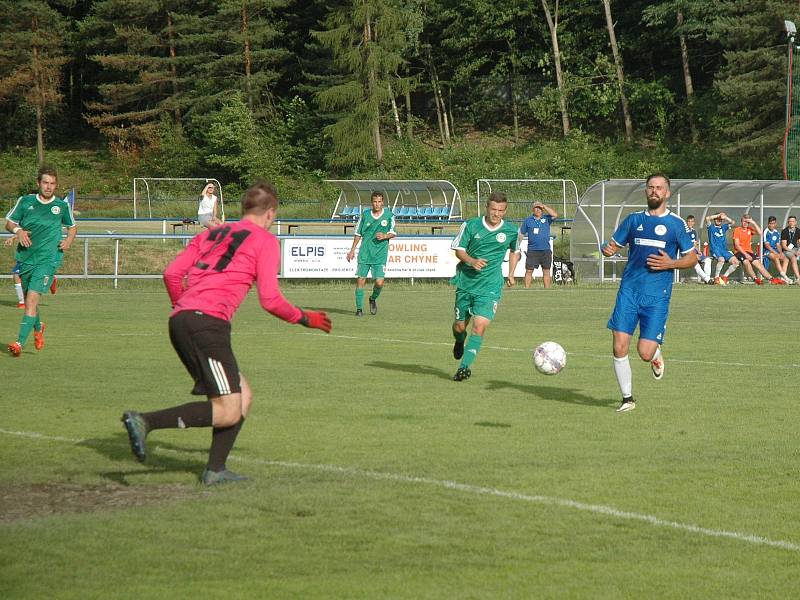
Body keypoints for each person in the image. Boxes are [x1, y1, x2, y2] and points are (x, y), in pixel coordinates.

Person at [121, 181, 332, 486]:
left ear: (244, 209)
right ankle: (145, 421)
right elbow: (270, 300)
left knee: (242, 396)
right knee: (229, 409)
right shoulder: (265, 241)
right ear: (270, 213)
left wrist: (182, 306)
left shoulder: (212, 232)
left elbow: (171, 273)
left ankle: (215, 469)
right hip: (207, 323)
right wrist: (304, 318)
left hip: (183, 318)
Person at [602, 174, 696, 412]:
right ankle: (627, 399)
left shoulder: (676, 224)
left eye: (659, 188)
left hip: (657, 295)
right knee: (619, 346)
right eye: (650, 187)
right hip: (629, 291)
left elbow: (693, 258)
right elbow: (614, 245)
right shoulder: (633, 220)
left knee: (644, 352)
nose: (654, 191)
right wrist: (608, 249)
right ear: (646, 191)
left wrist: (670, 264)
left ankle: (655, 355)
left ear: (667, 193)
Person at [5, 165, 76, 356]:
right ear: (38, 183)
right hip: (26, 258)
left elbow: (72, 227)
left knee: (30, 301)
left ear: (56, 185)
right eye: (45, 182)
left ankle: (19, 343)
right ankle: (38, 326)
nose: (49, 186)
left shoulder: (61, 206)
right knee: (31, 302)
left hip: (47, 260)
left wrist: (68, 240)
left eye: (52, 183)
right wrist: (18, 231)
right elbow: (9, 223)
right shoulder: (26, 201)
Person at [450, 192, 520, 381]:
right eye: (493, 209)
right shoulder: (471, 225)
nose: (496, 214)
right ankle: (459, 341)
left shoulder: (512, 231)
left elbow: (515, 251)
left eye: (500, 210)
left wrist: (511, 273)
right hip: (466, 283)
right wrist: (472, 261)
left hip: (490, 286)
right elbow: (459, 250)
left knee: (479, 327)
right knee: (459, 327)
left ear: (505, 211)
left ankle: (464, 367)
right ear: (487, 208)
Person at [346, 191, 396, 316]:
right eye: (375, 201)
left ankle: (373, 298)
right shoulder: (365, 215)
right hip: (365, 252)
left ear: (383, 202)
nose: (377, 204)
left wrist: (385, 236)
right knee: (361, 280)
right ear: (371, 202)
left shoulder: (389, 215)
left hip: (380, 254)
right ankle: (359, 309)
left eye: (379, 202)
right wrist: (352, 250)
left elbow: (393, 232)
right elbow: (358, 233)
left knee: (379, 282)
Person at [518, 201, 558, 288]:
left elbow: (555, 215)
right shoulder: (528, 220)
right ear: (533, 209)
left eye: (539, 208)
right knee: (529, 271)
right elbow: (521, 233)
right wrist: (517, 246)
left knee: (546, 271)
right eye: (536, 208)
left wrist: (544, 206)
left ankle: (546, 290)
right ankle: (526, 290)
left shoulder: (546, 218)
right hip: (533, 250)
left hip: (545, 250)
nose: (538, 210)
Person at [732, 214, 774, 284]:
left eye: (747, 222)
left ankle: (771, 279)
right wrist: (745, 254)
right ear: (741, 222)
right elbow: (737, 245)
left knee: (758, 264)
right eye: (744, 221)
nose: (745, 223)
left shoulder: (750, 229)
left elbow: (760, 233)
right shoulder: (737, 230)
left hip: (749, 252)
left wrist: (753, 223)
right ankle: (755, 279)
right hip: (739, 252)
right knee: (746, 262)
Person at [705, 212, 739, 285]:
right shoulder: (711, 227)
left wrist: (725, 217)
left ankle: (724, 277)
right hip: (715, 249)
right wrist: (717, 215)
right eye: (717, 219)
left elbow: (733, 222)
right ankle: (716, 278)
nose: (719, 220)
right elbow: (707, 218)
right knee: (721, 260)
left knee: (736, 262)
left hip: (724, 250)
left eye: (720, 219)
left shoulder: (723, 227)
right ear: (714, 219)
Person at [763, 216, 792, 284]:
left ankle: (782, 277)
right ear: (768, 224)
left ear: (775, 224)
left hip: (775, 251)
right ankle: (785, 277)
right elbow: (767, 245)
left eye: (773, 223)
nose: (771, 225)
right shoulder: (765, 231)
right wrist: (775, 253)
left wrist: (781, 252)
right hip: (766, 251)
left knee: (785, 259)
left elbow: (778, 245)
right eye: (770, 223)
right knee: (776, 257)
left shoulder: (777, 233)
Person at [684, 215, 712, 284]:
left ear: (694, 223)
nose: (690, 223)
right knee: (696, 264)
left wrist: (699, 251)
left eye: (692, 221)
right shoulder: (683, 232)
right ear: (686, 222)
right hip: (687, 253)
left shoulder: (694, 231)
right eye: (689, 221)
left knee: (708, 260)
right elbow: (684, 245)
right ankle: (708, 280)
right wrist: (694, 254)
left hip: (695, 252)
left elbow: (695, 243)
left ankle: (707, 279)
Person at [780, 215, 800, 283]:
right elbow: (784, 246)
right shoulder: (785, 231)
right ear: (788, 222)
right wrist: (794, 252)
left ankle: (783, 278)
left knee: (786, 259)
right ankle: (798, 278)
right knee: (793, 258)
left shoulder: (798, 230)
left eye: (793, 221)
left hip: (795, 249)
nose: (791, 223)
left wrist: (798, 251)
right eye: (790, 221)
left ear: (795, 222)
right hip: (787, 250)